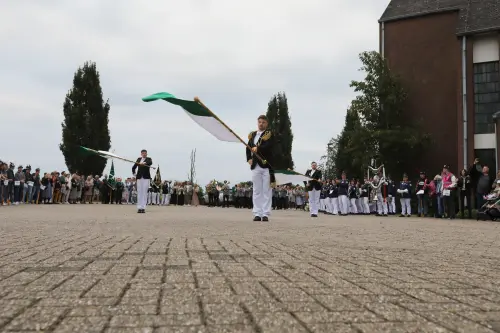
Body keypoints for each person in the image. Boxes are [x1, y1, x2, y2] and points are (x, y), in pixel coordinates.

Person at [246, 115, 274, 222]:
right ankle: (257, 213)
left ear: (266, 123)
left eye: (263, 122)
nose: (261, 124)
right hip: (255, 166)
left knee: (266, 190)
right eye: (259, 122)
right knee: (257, 190)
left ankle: (265, 213)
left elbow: (269, 146)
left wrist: (258, 148)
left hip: (266, 165)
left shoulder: (270, 134)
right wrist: (249, 158)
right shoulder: (252, 135)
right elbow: (248, 147)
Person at [132, 149, 153, 213]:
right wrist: (134, 173)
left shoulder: (149, 159)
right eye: (143, 153)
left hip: (146, 177)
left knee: (144, 192)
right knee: (139, 192)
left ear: (146, 154)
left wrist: (144, 163)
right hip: (139, 177)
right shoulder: (138, 159)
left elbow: (150, 163)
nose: (144, 154)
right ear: (141, 154)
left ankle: (143, 207)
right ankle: (139, 207)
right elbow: (134, 167)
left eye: (145, 153)